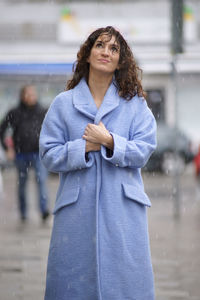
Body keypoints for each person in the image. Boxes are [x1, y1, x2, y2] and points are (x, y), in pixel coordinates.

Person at [39, 26, 157, 300]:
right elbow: (48, 154)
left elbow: (145, 149)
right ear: (88, 54)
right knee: (72, 284)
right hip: (76, 210)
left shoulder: (135, 104)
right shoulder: (63, 104)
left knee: (127, 283)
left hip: (123, 209)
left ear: (120, 60)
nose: (106, 52)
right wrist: (84, 146)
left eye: (114, 48)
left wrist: (110, 141)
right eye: (100, 46)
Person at [0, 85, 49, 222]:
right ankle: (23, 213)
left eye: (33, 94)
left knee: (42, 182)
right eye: (28, 94)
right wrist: (7, 148)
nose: (31, 97)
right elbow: (2, 130)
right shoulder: (14, 112)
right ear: (22, 96)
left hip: (39, 154)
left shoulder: (43, 111)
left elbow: (52, 130)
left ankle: (44, 210)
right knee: (22, 184)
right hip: (21, 154)